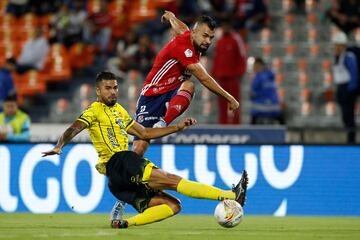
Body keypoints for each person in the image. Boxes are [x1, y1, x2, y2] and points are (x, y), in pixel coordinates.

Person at [41, 71, 248, 229]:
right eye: (108, 88)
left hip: (117, 183)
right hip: (120, 162)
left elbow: (145, 133)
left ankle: (124, 224)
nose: (113, 91)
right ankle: (229, 194)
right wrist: (59, 145)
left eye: (115, 87)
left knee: (173, 206)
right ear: (98, 91)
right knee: (173, 181)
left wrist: (177, 127)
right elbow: (73, 129)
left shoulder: (119, 111)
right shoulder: (93, 111)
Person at [133, 11, 240, 157]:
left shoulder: (191, 36)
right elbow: (204, 78)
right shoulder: (182, 47)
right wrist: (229, 98)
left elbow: (180, 27)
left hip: (172, 91)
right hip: (152, 96)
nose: (208, 41)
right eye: (205, 36)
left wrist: (171, 17)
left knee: (189, 85)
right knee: (139, 149)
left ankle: (163, 122)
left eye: (211, 37)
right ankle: (125, 174)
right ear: (194, 32)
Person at [211, 19, 247, 124]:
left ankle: (235, 124)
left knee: (234, 102)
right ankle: (223, 124)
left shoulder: (236, 39)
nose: (225, 28)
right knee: (221, 103)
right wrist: (214, 72)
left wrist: (240, 73)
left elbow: (242, 56)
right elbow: (216, 57)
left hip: (233, 78)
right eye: (223, 26)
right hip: (221, 78)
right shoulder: (220, 40)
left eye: (227, 26)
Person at [332, 32, 358, 143]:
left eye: (338, 45)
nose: (336, 47)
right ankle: (349, 137)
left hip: (348, 88)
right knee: (345, 116)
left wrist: (350, 90)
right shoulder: (338, 57)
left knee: (349, 115)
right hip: (341, 87)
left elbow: (354, 73)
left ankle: (351, 140)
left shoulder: (348, 57)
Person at [250, 57, 284, 125]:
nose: (253, 68)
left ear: (258, 65)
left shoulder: (258, 77)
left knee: (253, 114)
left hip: (260, 108)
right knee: (281, 117)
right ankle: (284, 133)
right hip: (274, 108)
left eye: (254, 66)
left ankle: (252, 133)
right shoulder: (271, 74)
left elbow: (253, 93)